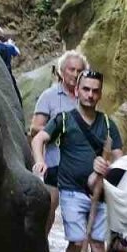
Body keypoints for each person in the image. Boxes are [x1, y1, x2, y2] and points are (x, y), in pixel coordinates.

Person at [31, 69, 123, 252]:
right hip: (71, 191)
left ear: (100, 94)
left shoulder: (108, 124)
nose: (90, 95)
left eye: (95, 91)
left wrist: (108, 168)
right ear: (77, 90)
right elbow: (39, 139)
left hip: (100, 192)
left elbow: (120, 158)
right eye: (86, 90)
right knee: (77, 242)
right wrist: (40, 160)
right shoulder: (64, 120)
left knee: (99, 244)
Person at [29, 49, 90, 233]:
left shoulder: (87, 98)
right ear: (61, 72)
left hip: (81, 171)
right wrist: (60, 131)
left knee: (79, 226)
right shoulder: (49, 96)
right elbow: (34, 129)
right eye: (71, 69)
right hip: (54, 166)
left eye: (79, 70)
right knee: (46, 215)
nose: (75, 73)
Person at [0, 26, 22, 103]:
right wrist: (11, 44)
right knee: (16, 96)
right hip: (8, 74)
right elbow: (17, 53)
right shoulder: (8, 47)